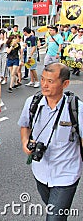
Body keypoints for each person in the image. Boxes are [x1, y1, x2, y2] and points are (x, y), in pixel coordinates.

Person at [18, 63, 83, 221]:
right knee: (54, 210)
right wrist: (25, 141)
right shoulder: (32, 103)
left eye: (50, 81)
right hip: (40, 171)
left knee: (54, 217)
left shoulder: (77, 109)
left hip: (66, 174)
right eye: (42, 79)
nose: (44, 85)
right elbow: (25, 125)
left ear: (65, 84)